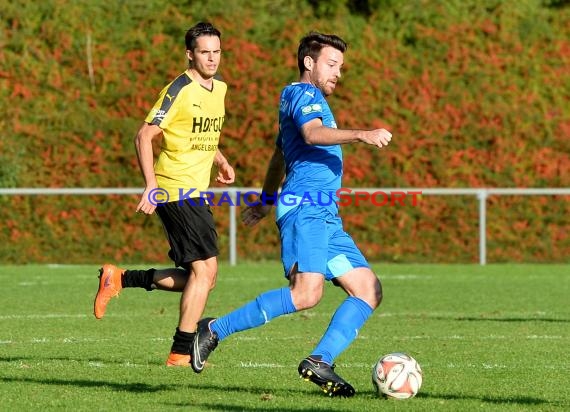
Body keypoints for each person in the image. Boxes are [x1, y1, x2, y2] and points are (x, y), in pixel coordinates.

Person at [191, 32, 392, 397]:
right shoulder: (302, 94)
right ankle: (214, 329)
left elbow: (279, 157)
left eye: (341, 68)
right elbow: (313, 135)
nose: (337, 74)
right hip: (307, 208)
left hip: (325, 215)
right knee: (305, 294)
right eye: (332, 65)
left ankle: (320, 361)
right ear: (309, 63)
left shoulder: (306, 100)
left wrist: (266, 200)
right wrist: (362, 134)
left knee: (367, 289)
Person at [93, 22, 235, 367]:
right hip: (174, 188)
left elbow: (200, 133)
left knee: (205, 278)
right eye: (205, 52)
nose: (212, 58)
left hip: (196, 190)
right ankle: (181, 352)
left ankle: (121, 278)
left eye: (216, 51)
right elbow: (144, 136)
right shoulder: (179, 89)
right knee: (204, 273)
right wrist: (151, 185)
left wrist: (220, 159)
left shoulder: (220, 89)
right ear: (190, 54)